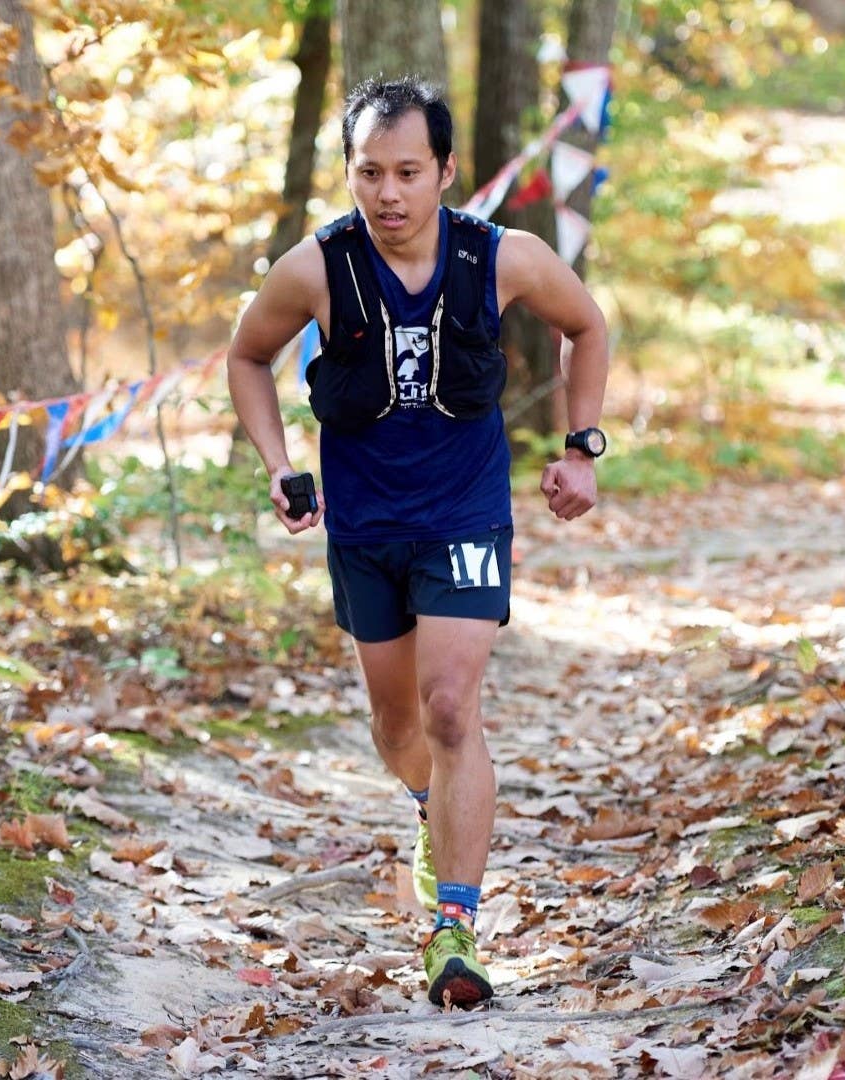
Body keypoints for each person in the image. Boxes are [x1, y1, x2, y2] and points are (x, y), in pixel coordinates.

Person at [227, 75, 609, 1008]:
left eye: (407, 171)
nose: (389, 193)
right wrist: (279, 464)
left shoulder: (501, 257)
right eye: (368, 173)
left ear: (445, 170)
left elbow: (587, 325)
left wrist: (582, 449)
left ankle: (455, 927)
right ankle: (426, 811)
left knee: (448, 709)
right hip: (364, 525)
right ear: (349, 174)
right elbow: (247, 357)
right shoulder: (316, 267)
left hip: (464, 514)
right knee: (399, 728)